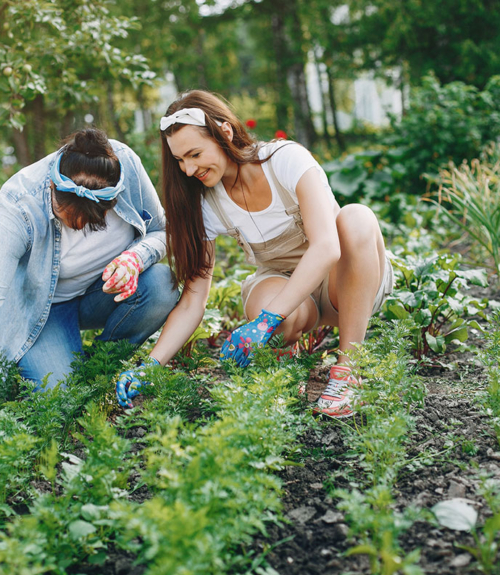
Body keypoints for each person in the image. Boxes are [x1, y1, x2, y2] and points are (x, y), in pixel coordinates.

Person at [116, 90, 393, 416]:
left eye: (194, 154)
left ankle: (348, 373)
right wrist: (151, 364)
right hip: (293, 295)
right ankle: (289, 366)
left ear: (225, 133)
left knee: (356, 218)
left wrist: (267, 319)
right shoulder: (207, 203)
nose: (188, 170)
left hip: (344, 283)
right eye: (180, 161)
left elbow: (328, 247)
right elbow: (193, 300)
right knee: (264, 303)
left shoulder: (285, 160)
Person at [0, 128, 179, 390]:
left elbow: (162, 231)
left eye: (94, 220)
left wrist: (134, 259)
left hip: (102, 293)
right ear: (52, 187)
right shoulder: (18, 205)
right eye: (71, 219)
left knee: (163, 285)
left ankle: (100, 365)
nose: (81, 226)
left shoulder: (124, 165)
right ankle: (66, 364)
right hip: (44, 308)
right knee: (58, 393)